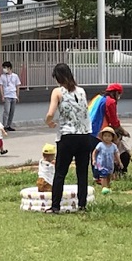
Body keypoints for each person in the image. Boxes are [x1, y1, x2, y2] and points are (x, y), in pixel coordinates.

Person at [44, 63, 91, 213]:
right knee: (82, 172)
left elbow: (50, 113)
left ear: (58, 77)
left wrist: (48, 122)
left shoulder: (57, 92)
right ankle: (82, 205)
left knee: (60, 172)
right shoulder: (82, 91)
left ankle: (56, 206)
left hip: (67, 136)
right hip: (84, 135)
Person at [87, 83, 123, 182]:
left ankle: (96, 176)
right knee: (100, 153)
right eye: (119, 94)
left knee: (93, 153)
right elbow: (114, 121)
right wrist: (122, 131)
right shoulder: (110, 101)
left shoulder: (97, 97)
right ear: (115, 93)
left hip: (88, 128)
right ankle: (101, 176)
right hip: (99, 129)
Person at [92, 127, 121, 195]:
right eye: (105, 136)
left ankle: (107, 187)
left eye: (109, 136)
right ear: (102, 137)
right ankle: (103, 188)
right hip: (101, 164)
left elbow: (116, 154)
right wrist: (94, 159)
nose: (107, 138)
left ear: (112, 137)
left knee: (108, 176)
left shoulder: (113, 146)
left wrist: (119, 162)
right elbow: (94, 152)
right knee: (103, 175)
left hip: (110, 164)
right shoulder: (100, 145)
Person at [0, 60, 21, 131]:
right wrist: (2, 96)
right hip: (7, 96)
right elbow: (0, 86)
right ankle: (4, 125)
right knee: (6, 111)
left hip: (13, 95)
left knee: (12, 112)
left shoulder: (15, 76)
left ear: (10, 68)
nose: (4, 69)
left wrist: (17, 95)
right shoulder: (2, 76)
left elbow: (17, 86)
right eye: (4, 68)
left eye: (5, 67)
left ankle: (9, 125)